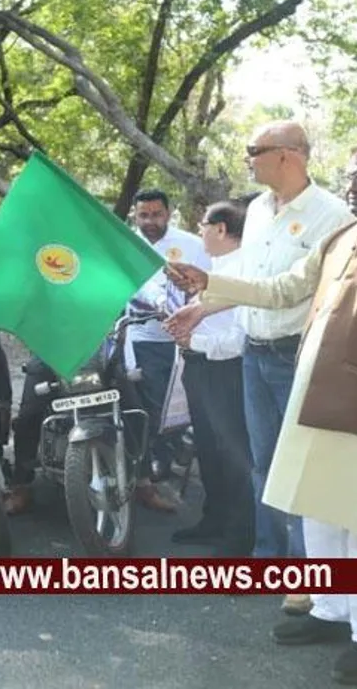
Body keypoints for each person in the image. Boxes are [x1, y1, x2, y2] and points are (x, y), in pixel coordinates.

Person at [167, 137, 357, 684]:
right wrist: (213, 283)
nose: (353, 186)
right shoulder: (343, 236)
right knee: (317, 511)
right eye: (351, 177)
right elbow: (285, 289)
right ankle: (330, 609)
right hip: (317, 402)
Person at [167, 120, 350, 615]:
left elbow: (291, 290)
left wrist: (209, 292)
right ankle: (268, 561)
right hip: (255, 350)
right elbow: (247, 280)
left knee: (305, 469)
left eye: (255, 150)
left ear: (289, 155)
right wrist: (202, 306)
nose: (248, 159)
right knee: (263, 463)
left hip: (299, 355)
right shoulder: (258, 211)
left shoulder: (332, 215)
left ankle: (310, 573)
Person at [167, 199, 254, 557]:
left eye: (203, 223)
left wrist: (194, 341)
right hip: (199, 365)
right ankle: (214, 520)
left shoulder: (242, 270)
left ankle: (239, 539)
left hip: (224, 368)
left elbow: (239, 338)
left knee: (233, 455)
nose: (198, 230)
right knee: (208, 449)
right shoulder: (214, 267)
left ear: (220, 229)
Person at [126, 188, 209, 511]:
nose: (150, 221)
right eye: (143, 215)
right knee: (147, 404)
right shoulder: (125, 244)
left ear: (168, 213)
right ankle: (150, 468)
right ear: (135, 215)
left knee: (176, 404)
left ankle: (168, 452)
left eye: (156, 215)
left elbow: (206, 285)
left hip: (185, 339)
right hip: (139, 337)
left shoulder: (191, 244)